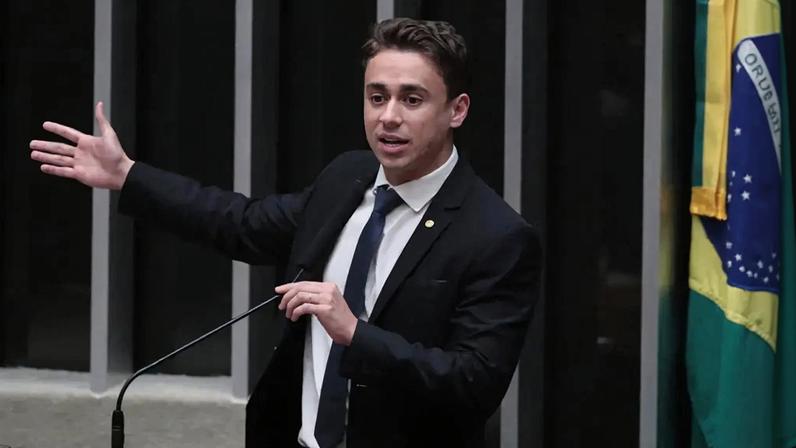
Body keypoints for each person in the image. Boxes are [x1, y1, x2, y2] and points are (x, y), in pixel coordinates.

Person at [30, 17, 541, 448]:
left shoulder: (496, 236)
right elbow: (242, 223)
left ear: (457, 110)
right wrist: (129, 176)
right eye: (376, 96)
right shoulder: (347, 178)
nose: (388, 117)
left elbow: (474, 384)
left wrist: (355, 334)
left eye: (412, 100)